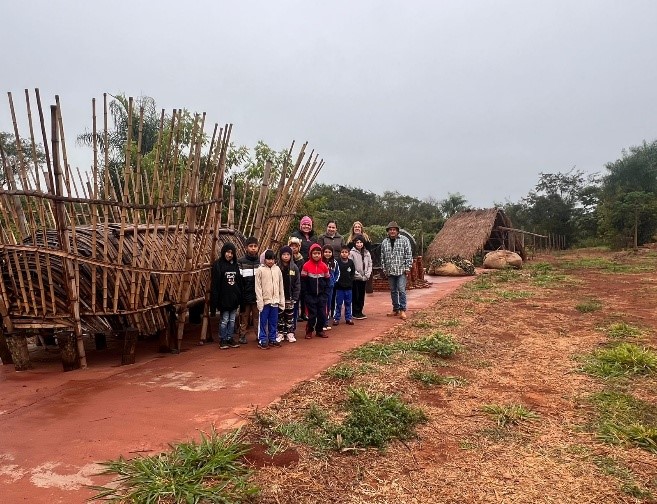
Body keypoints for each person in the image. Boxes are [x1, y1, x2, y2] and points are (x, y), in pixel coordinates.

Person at [210, 242, 242, 349]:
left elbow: (239, 282)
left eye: (232, 253)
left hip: (233, 299)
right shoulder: (218, 265)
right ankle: (223, 339)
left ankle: (230, 337)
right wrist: (214, 303)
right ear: (224, 252)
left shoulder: (235, 265)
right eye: (228, 252)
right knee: (224, 320)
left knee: (232, 320)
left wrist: (238, 297)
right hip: (223, 299)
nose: (229, 255)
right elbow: (215, 285)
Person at [380, 221, 413, 320]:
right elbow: (382, 257)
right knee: (393, 291)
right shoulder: (384, 242)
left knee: (401, 290)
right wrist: (384, 269)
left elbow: (408, 254)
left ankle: (402, 310)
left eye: (394, 230)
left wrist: (408, 267)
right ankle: (396, 309)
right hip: (390, 270)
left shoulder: (404, 240)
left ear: (397, 231)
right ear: (388, 231)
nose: (392, 231)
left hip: (401, 270)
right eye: (390, 230)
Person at [255, 249, 285, 349]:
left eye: (272, 259)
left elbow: (281, 286)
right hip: (264, 301)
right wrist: (260, 302)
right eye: (268, 259)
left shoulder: (277, 270)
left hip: (275, 301)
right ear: (264, 259)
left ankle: (272, 338)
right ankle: (262, 339)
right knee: (263, 321)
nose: (270, 261)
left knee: (273, 321)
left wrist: (281, 300)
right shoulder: (260, 270)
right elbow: (258, 287)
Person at [300, 243, 330, 339]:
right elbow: (303, 281)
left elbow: (327, 280)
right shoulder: (306, 266)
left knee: (322, 315)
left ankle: (319, 330)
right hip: (310, 295)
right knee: (312, 316)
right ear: (310, 254)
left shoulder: (324, 266)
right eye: (314, 253)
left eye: (318, 253)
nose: (316, 255)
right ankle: (309, 331)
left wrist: (325, 294)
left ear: (321, 254)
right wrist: (305, 294)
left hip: (321, 295)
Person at [290, 216, 317, 321]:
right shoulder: (295, 235)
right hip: (297, 266)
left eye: (308, 225)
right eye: (304, 224)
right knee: (297, 289)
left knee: (307, 290)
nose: (306, 226)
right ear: (301, 225)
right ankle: (295, 313)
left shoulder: (314, 237)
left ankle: (304, 313)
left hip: (310, 266)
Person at [237, 236, 260, 344]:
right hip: (245, 295)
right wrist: (241, 294)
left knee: (256, 317)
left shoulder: (261, 262)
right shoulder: (241, 262)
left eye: (255, 246)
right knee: (244, 317)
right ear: (246, 248)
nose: (253, 248)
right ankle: (242, 335)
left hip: (257, 296)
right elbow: (239, 280)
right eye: (251, 246)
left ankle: (259, 335)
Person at [277, 245, 300, 343]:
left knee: (290, 316)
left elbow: (297, 283)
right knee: (280, 316)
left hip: (290, 297)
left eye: (288, 254)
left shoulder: (294, 267)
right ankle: (280, 333)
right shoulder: (277, 267)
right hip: (279, 297)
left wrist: (295, 296)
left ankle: (290, 333)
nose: (286, 256)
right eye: (284, 254)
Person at [349, 235, 372, 320]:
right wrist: (359, 276)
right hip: (356, 278)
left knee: (362, 295)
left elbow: (370, 264)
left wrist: (367, 275)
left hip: (364, 277)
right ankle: (355, 312)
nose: (359, 244)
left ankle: (360, 311)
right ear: (355, 243)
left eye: (361, 242)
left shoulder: (366, 253)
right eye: (357, 242)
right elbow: (351, 266)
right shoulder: (351, 253)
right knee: (356, 295)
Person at [333, 245, 355, 326]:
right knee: (338, 304)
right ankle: (336, 318)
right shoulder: (337, 262)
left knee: (348, 303)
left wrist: (350, 280)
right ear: (340, 253)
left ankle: (348, 318)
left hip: (348, 287)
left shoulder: (351, 262)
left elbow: (353, 272)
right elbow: (335, 273)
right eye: (342, 252)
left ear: (348, 253)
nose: (344, 254)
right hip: (339, 287)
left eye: (346, 252)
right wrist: (336, 282)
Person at [288, 236, 305, 331]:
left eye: (295, 246)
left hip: (296, 287)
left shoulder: (301, 260)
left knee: (294, 307)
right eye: (291, 246)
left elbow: (298, 273)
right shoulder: (285, 258)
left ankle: (293, 327)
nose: (293, 248)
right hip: (286, 287)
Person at [322, 244, 339, 331]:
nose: (327, 254)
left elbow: (337, 273)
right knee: (322, 305)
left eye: (329, 252)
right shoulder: (321, 262)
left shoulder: (335, 263)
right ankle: (321, 323)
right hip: (321, 287)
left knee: (328, 305)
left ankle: (326, 322)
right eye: (325, 252)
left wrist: (333, 282)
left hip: (330, 287)